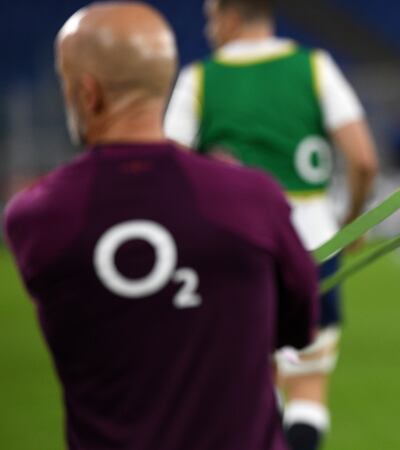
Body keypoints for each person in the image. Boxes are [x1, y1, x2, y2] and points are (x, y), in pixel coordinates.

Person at [3, 3, 318, 449]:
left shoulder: (35, 218)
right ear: (163, 81)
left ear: (87, 92)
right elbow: (298, 325)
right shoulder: (252, 198)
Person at [164, 1, 378, 448]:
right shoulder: (314, 67)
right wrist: (352, 221)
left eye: (210, 18)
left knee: (250, 384)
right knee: (308, 383)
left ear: (230, 15)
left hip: (233, 250)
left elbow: (170, 167)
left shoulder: (199, 78)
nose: (208, 29)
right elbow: (362, 159)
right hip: (312, 245)